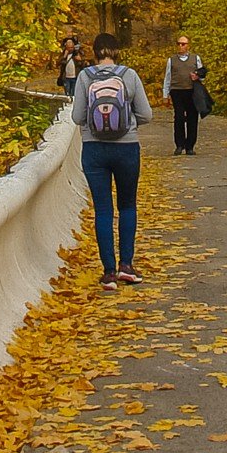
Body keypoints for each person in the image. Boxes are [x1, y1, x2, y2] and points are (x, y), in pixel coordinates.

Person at [70, 34, 153, 291]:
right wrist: (127, 124)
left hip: (94, 150)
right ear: (117, 51)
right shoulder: (129, 75)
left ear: (94, 53)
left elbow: (76, 117)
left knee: (103, 210)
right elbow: (146, 114)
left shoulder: (84, 77)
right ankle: (126, 266)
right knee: (127, 205)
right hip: (127, 148)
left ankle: (108, 273)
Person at [161, 33, 207, 156]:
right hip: (177, 91)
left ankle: (190, 146)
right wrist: (165, 95)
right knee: (179, 117)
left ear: (188, 45)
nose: (181, 46)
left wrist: (197, 76)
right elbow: (168, 77)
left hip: (192, 91)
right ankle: (179, 145)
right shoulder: (171, 60)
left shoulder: (195, 58)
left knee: (192, 117)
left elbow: (202, 74)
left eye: (183, 44)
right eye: (179, 44)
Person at [54, 33, 84, 104]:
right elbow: (58, 63)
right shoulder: (63, 54)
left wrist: (80, 60)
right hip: (66, 77)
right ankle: (67, 105)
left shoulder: (77, 54)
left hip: (75, 77)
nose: (70, 49)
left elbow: (83, 65)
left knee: (73, 93)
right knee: (67, 94)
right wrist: (64, 56)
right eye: (68, 47)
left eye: (71, 47)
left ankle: (73, 105)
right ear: (66, 47)